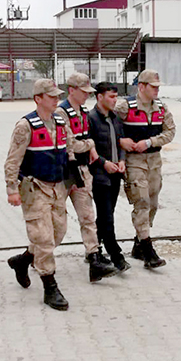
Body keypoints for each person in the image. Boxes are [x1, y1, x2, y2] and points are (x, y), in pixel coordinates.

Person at [4, 79, 70, 311]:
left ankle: (22, 261)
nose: (55, 99)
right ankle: (50, 286)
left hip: (57, 187)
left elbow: (68, 151)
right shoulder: (26, 125)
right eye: (50, 96)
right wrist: (12, 189)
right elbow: (13, 160)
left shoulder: (61, 122)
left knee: (58, 233)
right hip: (35, 188)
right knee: (43, 238)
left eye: (57, 96)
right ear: (38, 98)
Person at [55, 72, 119, 281]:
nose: (86, 96)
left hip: (81, 171)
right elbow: (70, 143)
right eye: (83, 92)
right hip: (64, 172)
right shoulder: (61, 112)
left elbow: (85, 138)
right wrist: (90, 145)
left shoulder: (83, 112)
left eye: (88, 92)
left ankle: (94, 259)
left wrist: (89, 146)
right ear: (71, 90)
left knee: (88, 217)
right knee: (56, 224)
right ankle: (30, 256)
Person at [114, 69, 176, 269]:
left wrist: (150, 142)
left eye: (158, 87)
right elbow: (109, 127)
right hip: (134, 161)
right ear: (141, 86)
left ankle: (138, 243)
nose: (157, 90)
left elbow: (170, 132)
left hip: (154, 160)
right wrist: (121, 141)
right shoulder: (125, 107)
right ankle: (148, 249)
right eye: (153, 87)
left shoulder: (161, 108)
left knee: (153, 203)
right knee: (141, 201)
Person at [87, 82, 131, 273]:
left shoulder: (115, 118)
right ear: (99, 97)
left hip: (115, 175)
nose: (115, 100)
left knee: (106, 215)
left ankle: (93, 251)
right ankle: (116, 255)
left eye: (116, 96)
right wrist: (104, 163)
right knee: (107, 217)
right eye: (111, 97)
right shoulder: (90, 119)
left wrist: (121, 161)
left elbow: (120, 142)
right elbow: (89, 149)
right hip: (99, 175)